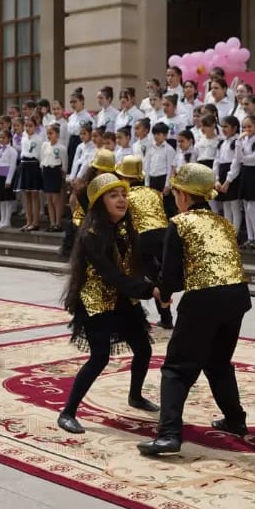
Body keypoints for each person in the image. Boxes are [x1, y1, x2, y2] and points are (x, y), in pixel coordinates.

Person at [137, 163, 251, 456]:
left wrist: (162, 294)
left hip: (204, 300)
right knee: (218, 362)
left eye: (176, 191)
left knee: (176, 368)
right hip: (237, 297)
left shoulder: (180, 222)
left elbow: (172, 276)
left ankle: (169, 434)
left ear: (184, 195)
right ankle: (236, 420)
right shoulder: (225, 223)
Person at [57, 173, 159, 434]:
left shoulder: (126, 228)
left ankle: (135, 396)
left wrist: (160, 282)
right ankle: (67, 412)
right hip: (97, 301)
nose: (122, 200)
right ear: (100, 202)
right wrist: (150, 290)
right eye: (114, 195)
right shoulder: (91, 235)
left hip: (124, 297)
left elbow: (143, 261)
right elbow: (112, 276)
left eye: (124, 194)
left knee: (143, 349)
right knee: (99, 357)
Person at [115, 155, 173, 329]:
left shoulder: (126, 196)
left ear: (125, 178)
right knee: (158, 278)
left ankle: (139, 318)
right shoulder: (155, 192)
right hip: (164, 236)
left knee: (135, 276)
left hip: (142, 238)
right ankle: (166, 318)